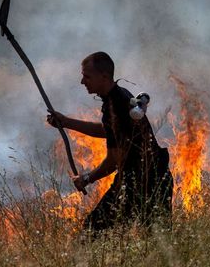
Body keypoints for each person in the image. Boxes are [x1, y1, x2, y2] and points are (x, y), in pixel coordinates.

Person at [46, 51, 172, 233]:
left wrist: (86, 179)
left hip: (138, 184)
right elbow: (111, 130)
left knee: (91, 233)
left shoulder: (116, 105)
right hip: (157, 178)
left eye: (87, 77)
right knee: (155, 242)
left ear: (104, 77)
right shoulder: (120, 95)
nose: (82, 82)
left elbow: (113, 161)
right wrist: (66, 122)